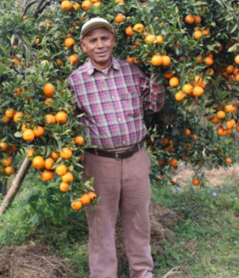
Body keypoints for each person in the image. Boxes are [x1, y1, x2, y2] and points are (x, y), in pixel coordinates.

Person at [66, 17, 166, 278]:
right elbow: (66, 124)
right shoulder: (74, 82)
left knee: (138, 221)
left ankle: (143, 272)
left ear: (113, 41)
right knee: (101, 226)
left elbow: (153, 106)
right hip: (99, 163)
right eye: (93, 40)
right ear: (84, 46)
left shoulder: (132, 72)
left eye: (104, 38)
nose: (100, 45)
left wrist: (159, 72)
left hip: (136, 157)